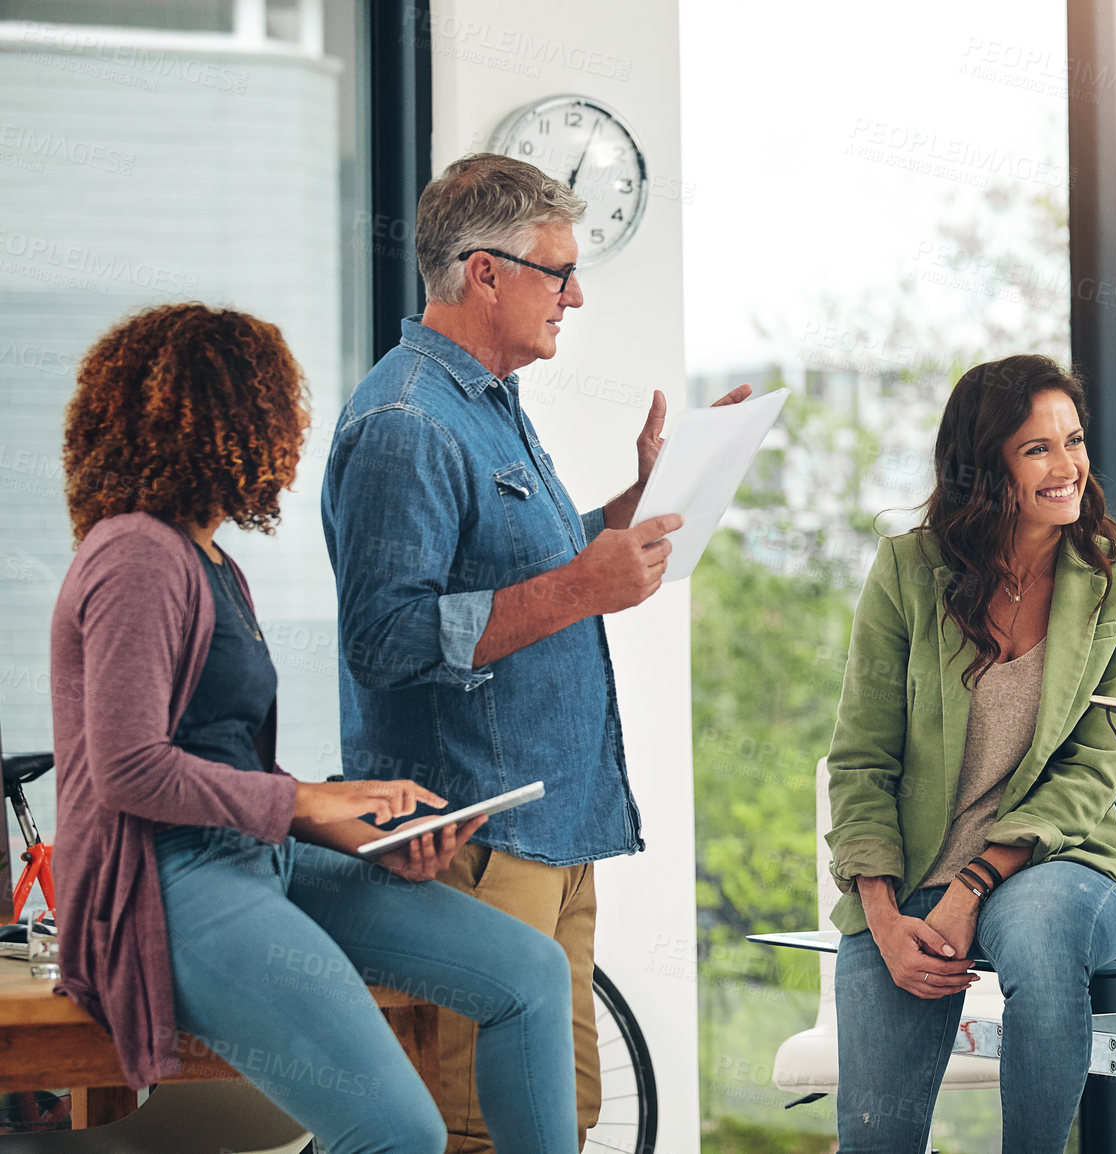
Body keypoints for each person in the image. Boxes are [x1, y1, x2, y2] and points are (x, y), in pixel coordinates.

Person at [49, 303, 582, 1154]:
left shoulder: (210, 562)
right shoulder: (135, 555)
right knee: (400, 1132)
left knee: (529, 973)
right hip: (169, 880)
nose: (295, 429)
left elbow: (216, 754)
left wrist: (355, 819)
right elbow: (128, 769)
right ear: (222, 418)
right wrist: (311, 807)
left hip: (254, 855)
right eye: (278, 405)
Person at [321, 152, 748, 1151]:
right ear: (485, 272)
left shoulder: (485, 406)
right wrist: (578, 586)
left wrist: (643, 499)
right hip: (468, 839)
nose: (577, 294)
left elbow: (538, 568)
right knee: (479, 1127)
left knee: (560, 1116)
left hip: (549, 827)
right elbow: (382, 641)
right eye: (558, 271)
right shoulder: (403, 423)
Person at [825, 354, 1116, 1153]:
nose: (1068, 467)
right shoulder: (908, 571)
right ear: (985, 469)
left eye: (1074, 440)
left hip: (1058, 863)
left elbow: (1093, 770)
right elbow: (862, 758)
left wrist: (976, 882)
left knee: (1045, 936)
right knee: (875, 1138)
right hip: (912, 872)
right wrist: (880, 914)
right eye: (1037, 449)